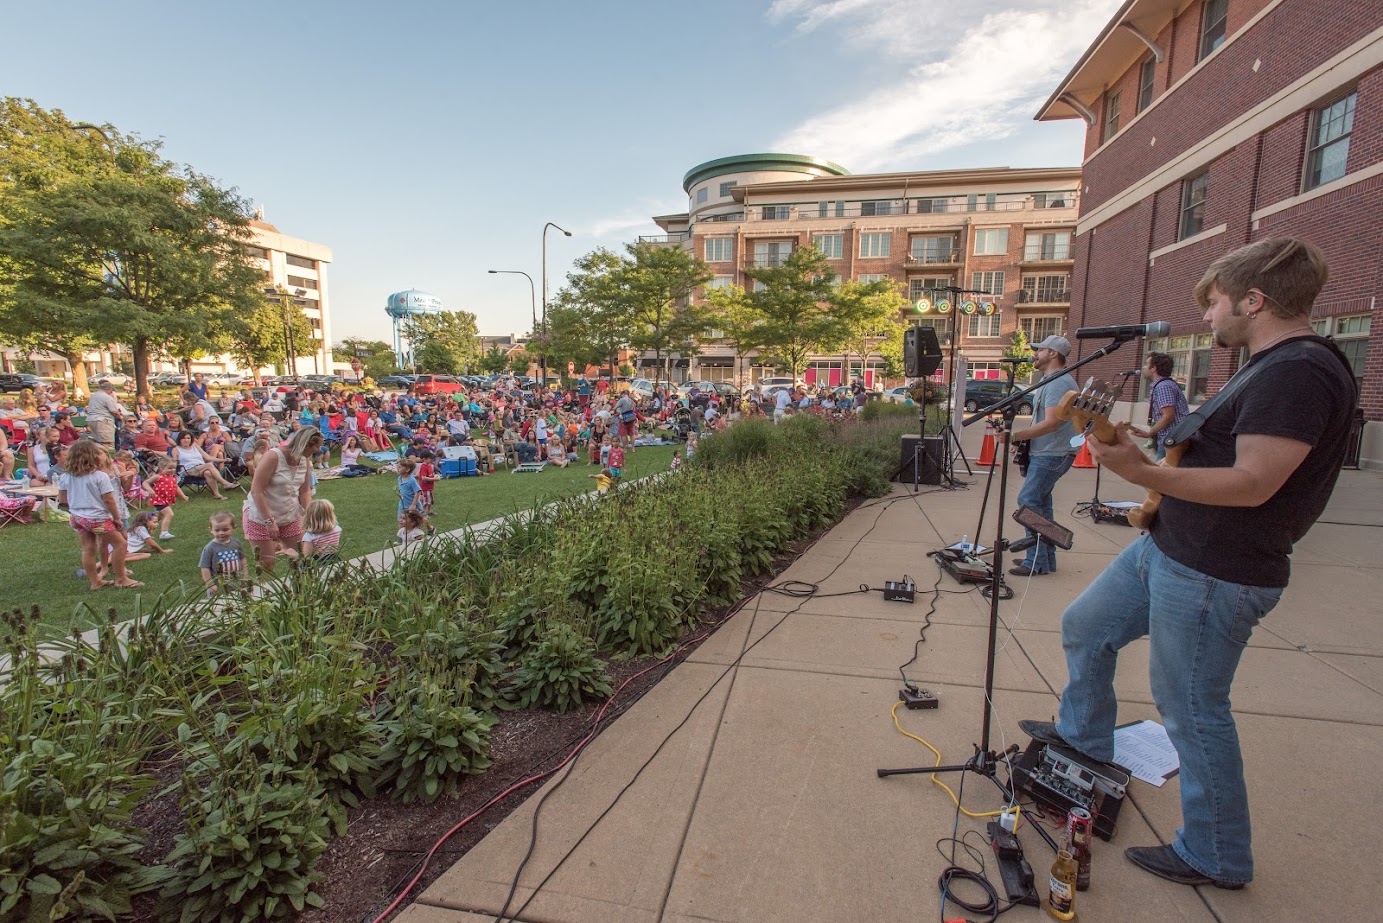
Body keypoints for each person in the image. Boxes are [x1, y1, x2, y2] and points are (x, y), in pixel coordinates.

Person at [1020, 238, 1355, 891]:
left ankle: (1216, 851)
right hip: (1167, 546)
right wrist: (1119, 425)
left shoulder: (1298, 371)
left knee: (1192, 706)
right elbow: (1199, 441)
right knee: (1086, 625)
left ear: (1252, 299)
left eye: (1216, 303)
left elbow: (1254, 481)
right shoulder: (1265, 363)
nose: (1207, 317)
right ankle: (1081, 740)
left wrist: (1140, 471)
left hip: (1215, 570)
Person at [1007, 335, 1079, 577]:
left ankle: (1035, 561)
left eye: (1040, 350)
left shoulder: (1058, 383)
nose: (1035, 354)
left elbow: (1051, 424)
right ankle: (1044, 560)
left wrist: (1016, 436)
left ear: (1053, 354)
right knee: (1041, 505)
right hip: (1047, 451)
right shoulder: (1051, 380)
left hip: (1053, 453)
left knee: (1027, 501)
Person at [59, 439, 140, 590]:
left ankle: (95, 582)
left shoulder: (66, 477)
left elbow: (63, 499)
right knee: (120, 543)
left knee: (88, 548)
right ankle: (121, 579)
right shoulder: (99, 476)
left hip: (77, 517)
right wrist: (116, 518)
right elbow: (109, 500)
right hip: (97, 517)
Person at [243, 425, 321, 572]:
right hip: (261, 516)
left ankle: (301, 591)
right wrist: (269, 521)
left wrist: (311, 514)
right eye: (316, 446)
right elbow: (256, 491)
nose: (318, 450)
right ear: (305, 444)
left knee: (302, 556)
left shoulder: (304, 459)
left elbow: (304, 490)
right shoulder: (273, 456)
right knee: (267, 563)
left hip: (289, 514)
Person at [1132, 352, 1191, 461]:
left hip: (1171, 441)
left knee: (1161, 474)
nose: (1143, 367)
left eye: (1146, 364)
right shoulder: (1164, 384)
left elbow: (1168, 415)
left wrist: (1150, 433)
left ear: (1153, 368)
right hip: (1170, 440)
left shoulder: (1163, 386)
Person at [171, 431, 235, 500]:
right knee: (209, 465)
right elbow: (174, 463)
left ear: (191, 439)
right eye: (183, 438)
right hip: (187, 470)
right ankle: (225, 483)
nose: (186, 440)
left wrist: (224, 460)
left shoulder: (195, 447)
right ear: (179, 439)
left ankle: (217, 494)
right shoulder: (176, 449)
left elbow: (208, 457)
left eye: (188, 438)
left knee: (208, 473)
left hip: (200, 468)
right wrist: (173, 473)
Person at [200, 510, 248, 596]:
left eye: (225, 530)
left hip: (237, 583)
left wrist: (245, 577)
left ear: (233, 528)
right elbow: (204, 568)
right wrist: (211, 585)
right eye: (217, 530)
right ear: (211, 530)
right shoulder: (209, 548)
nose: (221, 533)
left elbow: (243, 560)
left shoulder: (237, 543)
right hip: (218, 587)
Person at [143, 458, 187, 539]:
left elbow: (176, 487)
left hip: (165, 499)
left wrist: (183, 496)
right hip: (158, 499)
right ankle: (164, 533)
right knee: (169, 514)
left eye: (174, 468)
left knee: (158, 516)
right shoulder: (158, 477)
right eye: (169, 468)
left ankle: (147, 528)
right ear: (161, 468)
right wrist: (150, 490)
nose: (172, 470)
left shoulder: (173, 477)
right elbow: (145, 482)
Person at [85, 380, 125, 449]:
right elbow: (114, 411)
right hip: (103, 420)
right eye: (111, 390)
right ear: (107, 389)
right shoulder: (106, 397)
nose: (112, 392)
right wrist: (120, 416)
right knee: (105, 442)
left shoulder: (94, 396)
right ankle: (104, 457)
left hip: (91, 419)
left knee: (97, 441)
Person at [300, 499, 342, 564]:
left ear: (310, 518)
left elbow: (307, 555)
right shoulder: (337, 529)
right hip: (334, 559)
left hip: (318, 563)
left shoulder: (309, 536)